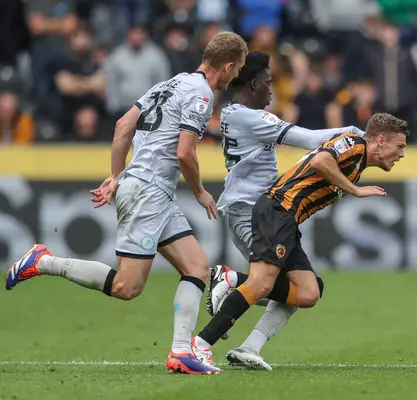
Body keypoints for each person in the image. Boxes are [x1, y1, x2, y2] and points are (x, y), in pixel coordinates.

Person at [5, 31, 248, 375]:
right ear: (226, 67)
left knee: (196, 266)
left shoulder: (169, 84)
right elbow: (184, 153)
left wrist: (116, 175)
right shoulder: (202, 94)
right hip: (149, 192)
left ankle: (181, 352)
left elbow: (123, 126)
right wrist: (199, 191)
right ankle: (43, 261)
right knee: (127, 286)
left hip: (150, 190)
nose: (236, 75)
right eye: (236, 69)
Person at [192, 112, 409, 371]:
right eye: (400, 146)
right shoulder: (354, 144)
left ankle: (245, 340)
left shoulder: (358, 162)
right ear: (381, 141)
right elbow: (320, 161)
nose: (402, 154)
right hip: (277, 209)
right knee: (261, 284)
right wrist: (355, 190)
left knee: (308, 293)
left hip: (287, 220)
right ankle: (201, 344)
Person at [194, 51, 364, 370]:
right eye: (269, 83)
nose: (273, 91)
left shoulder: (234, 114)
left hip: (270, 211)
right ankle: (205, 334)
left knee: (308, 291)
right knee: (263, 283)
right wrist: (356, 133)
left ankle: (248, 345)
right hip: (251, 211)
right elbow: (309, 139)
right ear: (254, 83)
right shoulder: (249, 116)